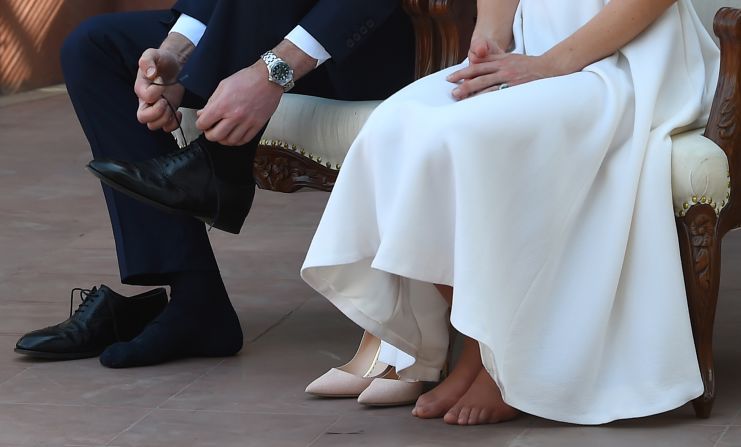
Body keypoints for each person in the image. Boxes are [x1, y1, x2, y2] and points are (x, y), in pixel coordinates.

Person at [300, 0, 720, 425]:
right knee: (391, 127)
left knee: (466, 135)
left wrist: (554, 63)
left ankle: (507, 362)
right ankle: (478, 347)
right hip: (531, 46)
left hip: (628, 60)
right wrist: (490, 40)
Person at [15, 0, 415, 368]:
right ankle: (197, 301)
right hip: (258, 27)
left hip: (354, 41)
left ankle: (218, 164)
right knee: (94, 47)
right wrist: (175, 57)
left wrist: (269, 76)